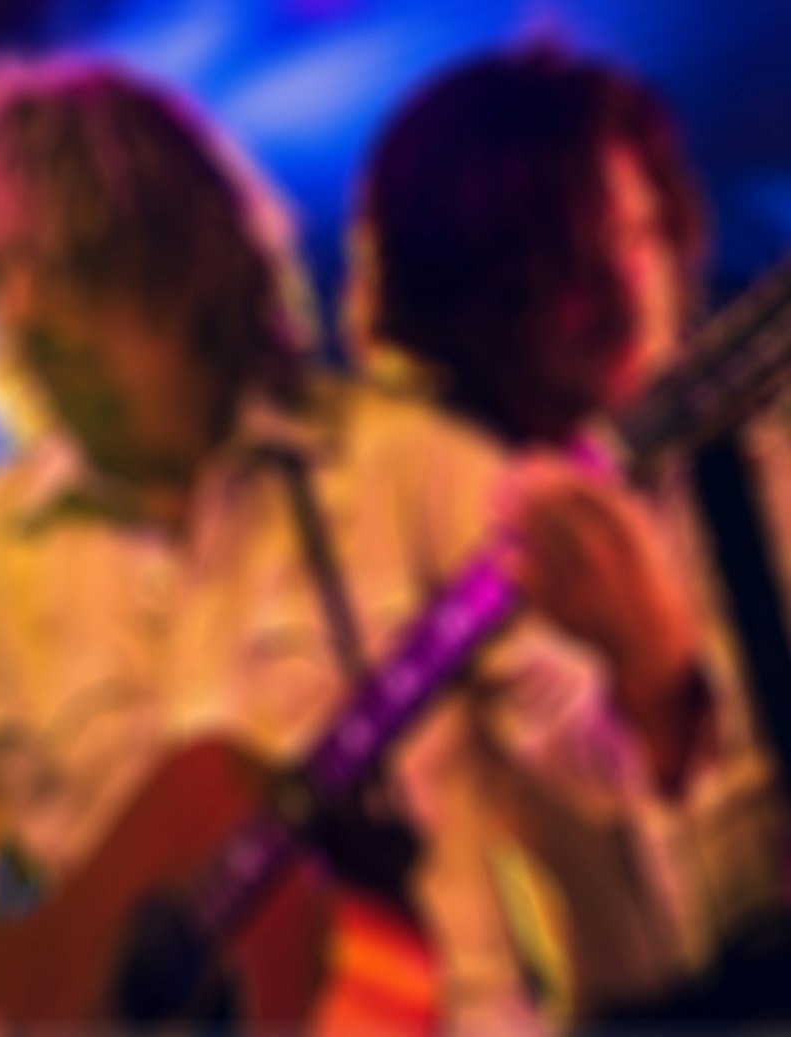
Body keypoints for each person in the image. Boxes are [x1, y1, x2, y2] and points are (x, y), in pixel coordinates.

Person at [0, 56, 696, 1033]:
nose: (21, 316)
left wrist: (653, 669)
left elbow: (607, 804)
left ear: (183, 253)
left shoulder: (410, 469)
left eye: (70, 261)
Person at [350, 44, 781, 1008]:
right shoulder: (420, 507)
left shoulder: (764, 461)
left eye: (637, 235)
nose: (626, 296)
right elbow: (592, 761)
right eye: (562, 265)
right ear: (459, 290)